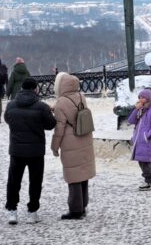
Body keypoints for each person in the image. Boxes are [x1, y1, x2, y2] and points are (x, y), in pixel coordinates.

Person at [4, 78, 57, 225]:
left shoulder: (11, 105)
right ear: (35, 89)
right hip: (35, 151)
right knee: (35, 181)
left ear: (22, 88)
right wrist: (50, 111)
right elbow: (50, 125)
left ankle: (12, 211)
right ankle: (32, 212)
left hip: (16, 150)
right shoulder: (41, 107)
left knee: (14, 181)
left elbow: (8, 120)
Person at [51, 72, 96, 220]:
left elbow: (59, 128)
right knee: (82, 174)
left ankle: (75, 210)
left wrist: (54, 147)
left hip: (71, 141)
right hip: (84, 137)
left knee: (73, 177)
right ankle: (82, 206)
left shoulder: (61, 102)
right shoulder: (81, 96)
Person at [127, 88, 151, 191]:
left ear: (148, 99)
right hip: (139, 141)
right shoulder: (141, 110)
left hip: (146, 141)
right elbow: (131, 120)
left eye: (143, 97)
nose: (141, 99)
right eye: (140, 97)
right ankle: (148, 179)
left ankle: (149, 182)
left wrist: (148, 137)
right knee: (141, 161)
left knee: (145, 161)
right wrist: (136, 109)